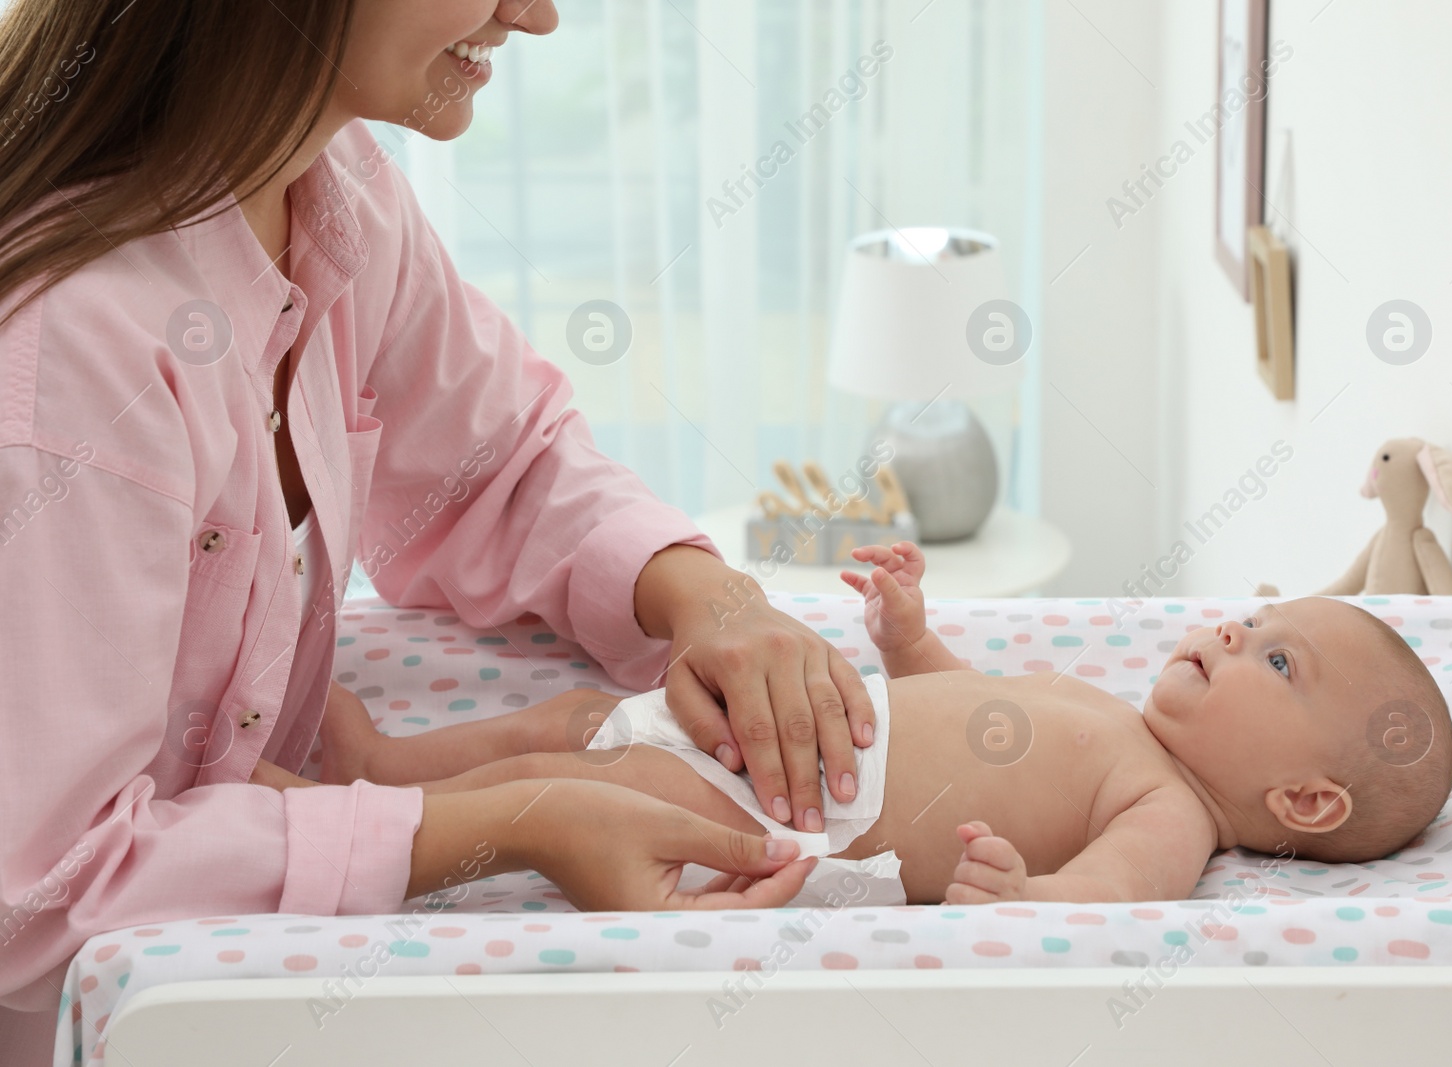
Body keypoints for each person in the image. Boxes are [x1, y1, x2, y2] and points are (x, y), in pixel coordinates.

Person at [0, 1, 873, 1055]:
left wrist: (701, 594)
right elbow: (38, 894)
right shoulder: (73, 349)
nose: (535, 16)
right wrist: (515, 819)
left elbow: (495, 460)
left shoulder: (331, 188)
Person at [301, 541, 1452, 906]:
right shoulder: (1117, 717)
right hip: (778, 740)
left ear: (1306, 798)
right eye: (1248, 615)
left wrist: (1025, 895)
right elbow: (960, 699)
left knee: (570, 777)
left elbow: (1110, 894)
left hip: (791, 807)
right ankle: (383, 761)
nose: (1222, 630)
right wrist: (908, 635)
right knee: (572, 718)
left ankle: (356, 825)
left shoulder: (1170, 811)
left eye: (1273, 656)